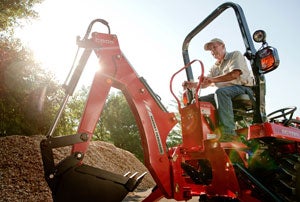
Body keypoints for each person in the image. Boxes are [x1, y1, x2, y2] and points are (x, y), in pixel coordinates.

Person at [183, 38, 254, 142]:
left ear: (223, 46)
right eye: (210, 50)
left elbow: (235, 74)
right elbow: (205, 84)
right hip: (225, 93)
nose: (212, 51)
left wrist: (212, 79)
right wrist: (192, 85)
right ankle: (209, 134)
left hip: (243, 89)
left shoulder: (235, 55)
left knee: (221, 92)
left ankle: (228, 132)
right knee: (199, 102)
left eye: (214, 47)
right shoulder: (214, 67)